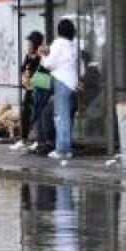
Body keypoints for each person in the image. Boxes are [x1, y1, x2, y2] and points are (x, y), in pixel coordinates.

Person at [43, 18, 82, 160]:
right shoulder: (74, 45)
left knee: (61, 117)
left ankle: (62, 150)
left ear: (59, 31)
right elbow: (80, 66)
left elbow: (48, 64)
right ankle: (67, 148)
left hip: (61, 82)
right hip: (73, 84)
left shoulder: (58, 44)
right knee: (68, 116)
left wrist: (43, 55)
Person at [18, 31, 51, 152]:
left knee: (37, 113)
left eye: (30, 42)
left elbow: (43, 71)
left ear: (35, 43)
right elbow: (23, 68)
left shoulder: (41, 55)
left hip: (38, 87)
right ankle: (24, 138)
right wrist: (27, 62)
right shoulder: (28, 56)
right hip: (29, 88)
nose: (28, 45)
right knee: (26, 111)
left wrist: (33, 60)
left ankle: (39, 140)